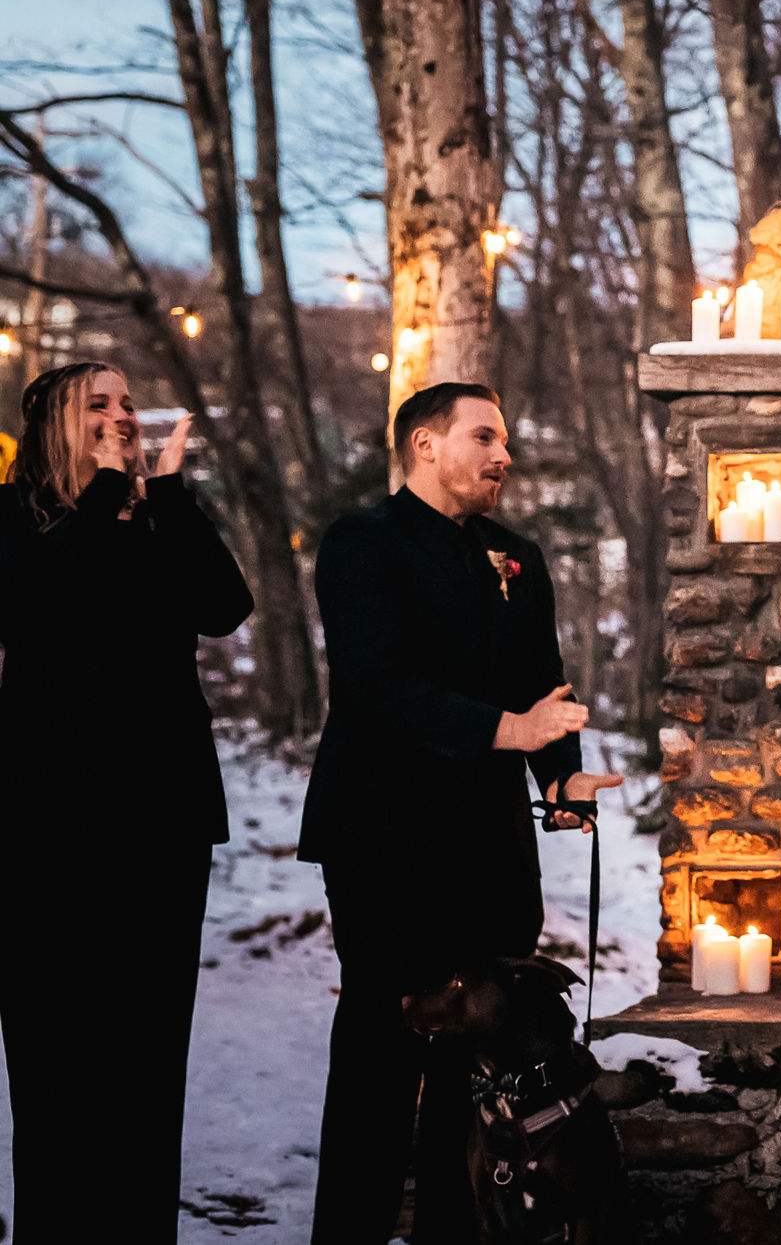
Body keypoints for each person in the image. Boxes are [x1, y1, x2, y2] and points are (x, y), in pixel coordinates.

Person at [300, 382, 619, 1244]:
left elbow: (541, 683)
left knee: (477, 1076)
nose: (503, 454)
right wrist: (509, 729)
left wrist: (559, 778)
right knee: (379, 1053)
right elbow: (376, 690)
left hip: (490, 846)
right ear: (424, 445)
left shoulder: (515, 555)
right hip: (385, 843)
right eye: (484, 436)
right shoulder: (361, 545)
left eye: (505, 440)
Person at [0, 363, 253, 1242]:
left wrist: (172, 493)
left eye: (127, 405)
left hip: (160, 819)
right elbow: (37, 598)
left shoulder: (156, 521)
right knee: (56, 1055)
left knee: (147, 1057)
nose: (120, 418)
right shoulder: (16, 519)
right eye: (96, 405)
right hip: (46, 825)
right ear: (51, 425)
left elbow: (226, 606)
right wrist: (108, 488)